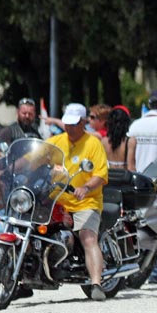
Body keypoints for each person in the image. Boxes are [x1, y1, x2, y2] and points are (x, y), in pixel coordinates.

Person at [47, 103, 110, 301]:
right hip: (57, 200)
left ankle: (96, 284)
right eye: (67, 123)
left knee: (87, 236)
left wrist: (86, 188)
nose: (69, 127)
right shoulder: (55, 141)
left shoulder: (93, 143)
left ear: (83, 122)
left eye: (74, 124)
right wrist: (13, 166)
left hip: (86, 202)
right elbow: (33, 158)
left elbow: (100, 173)